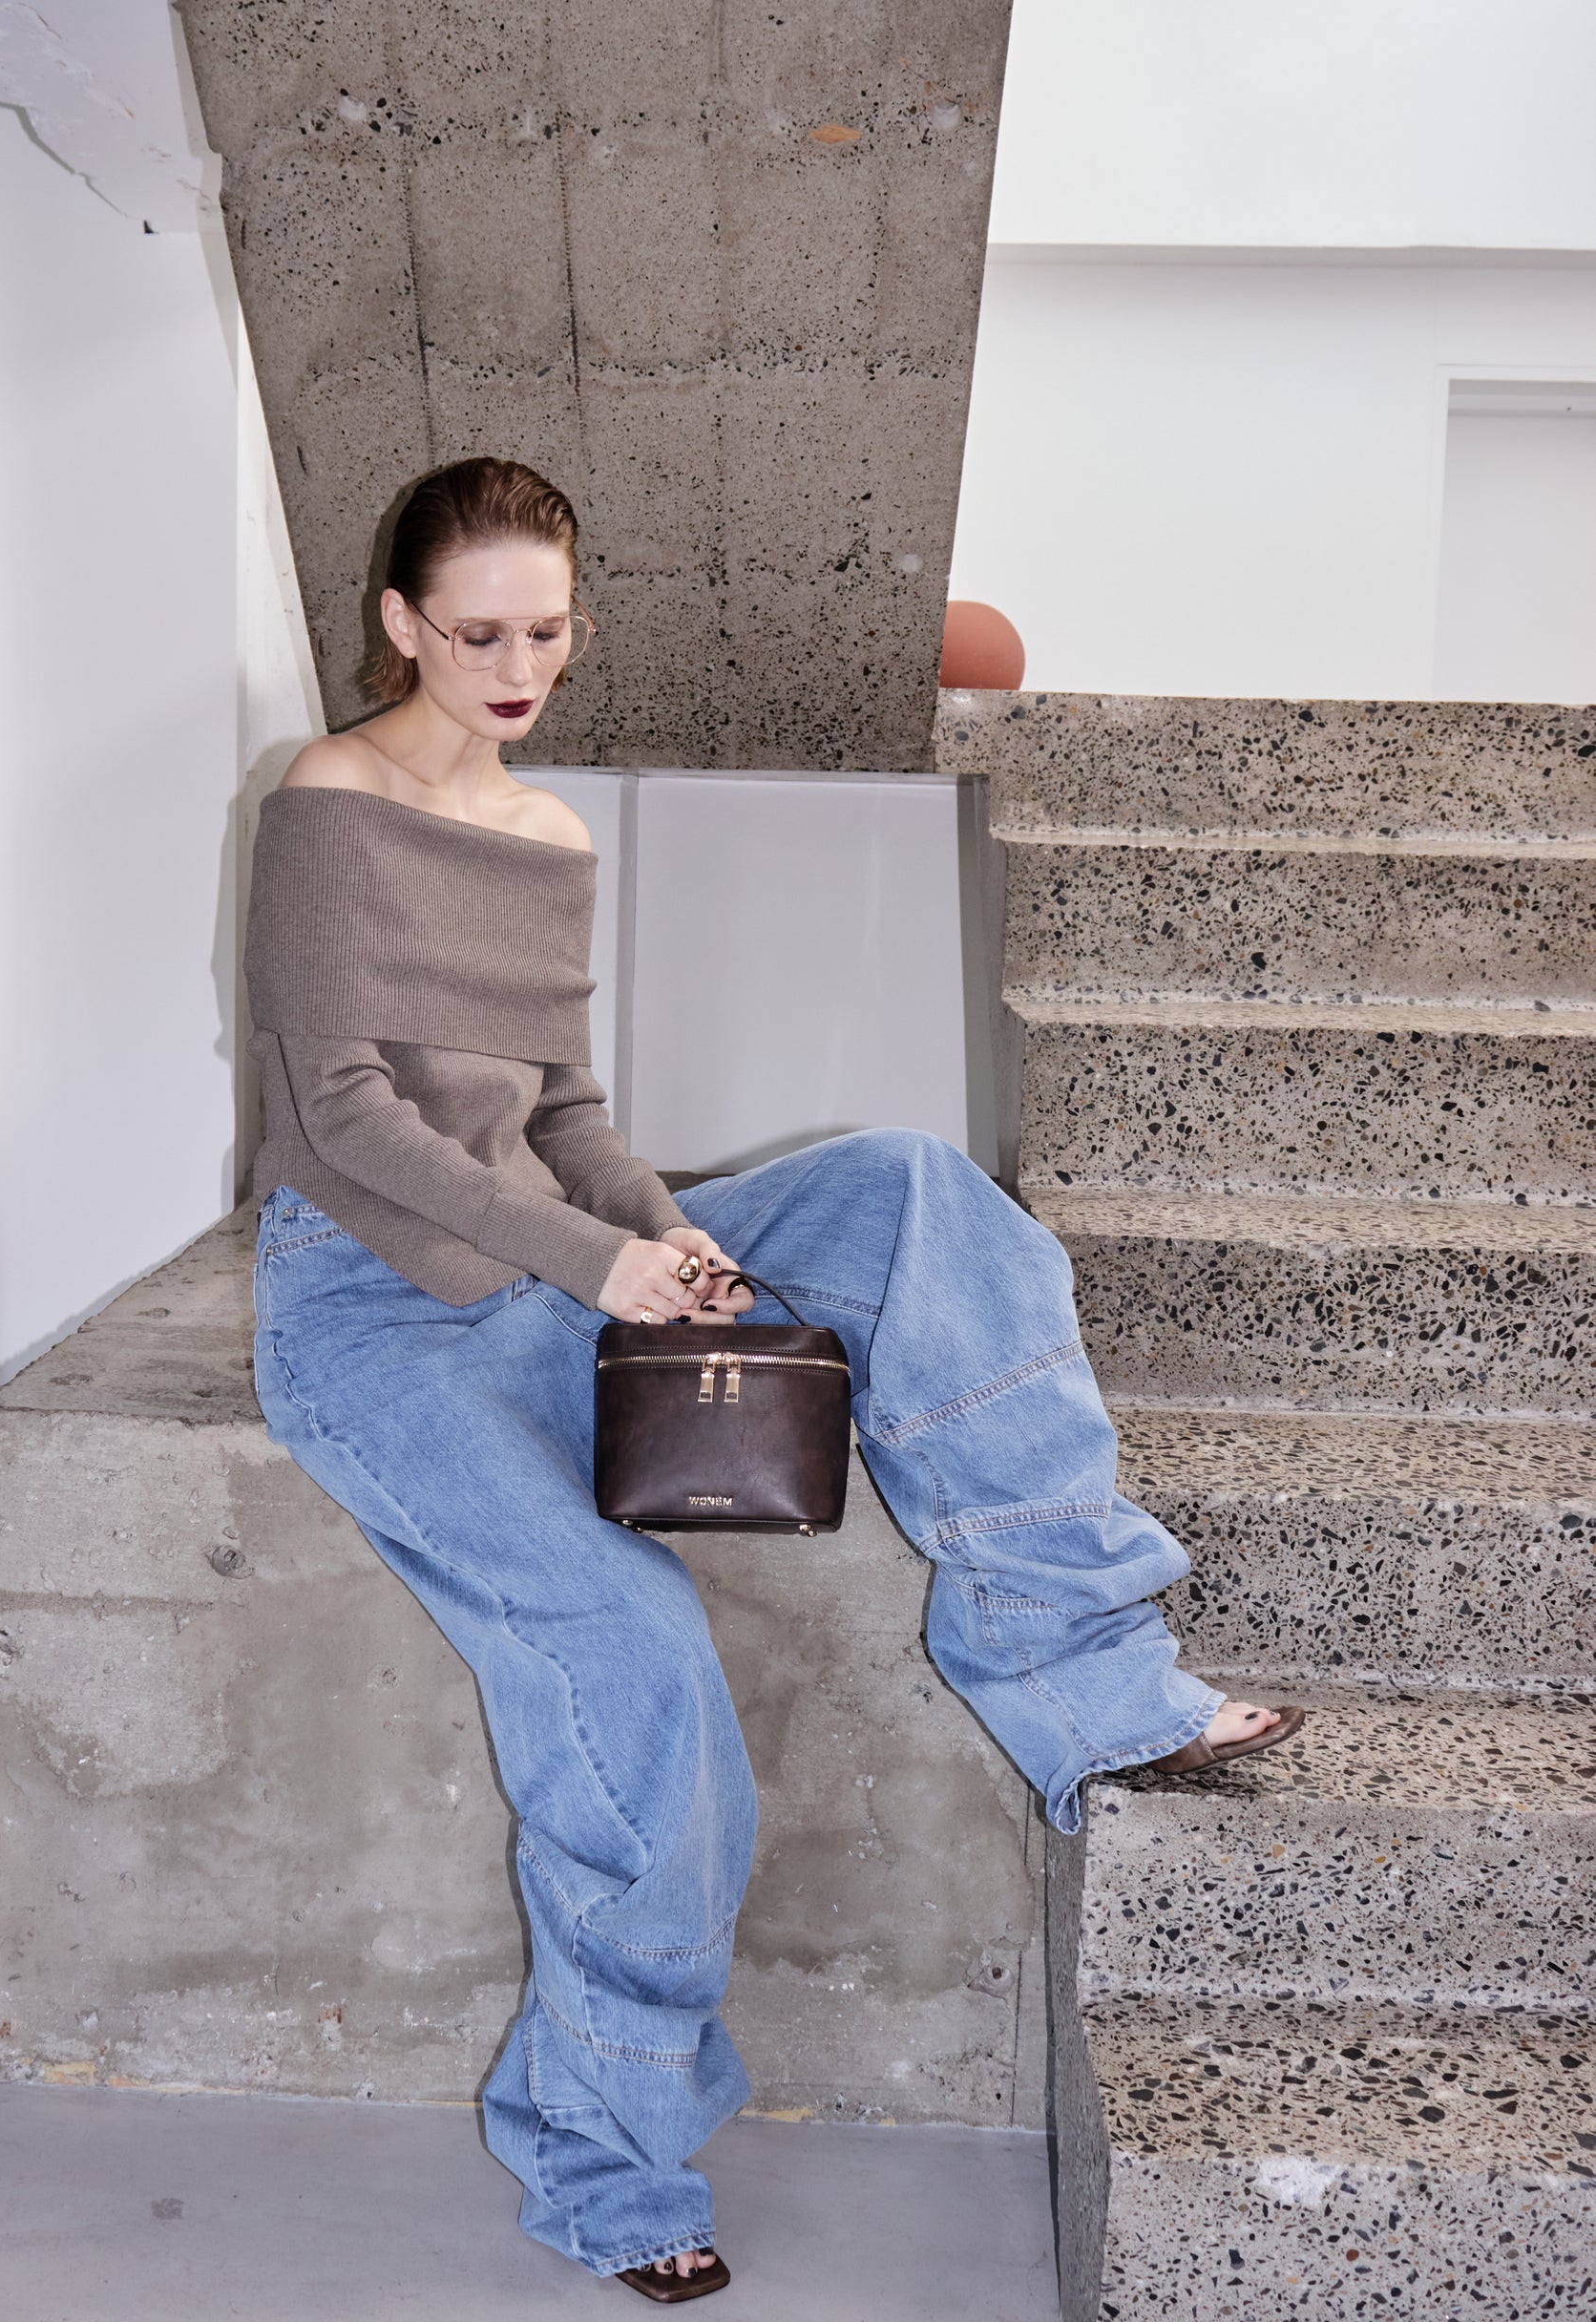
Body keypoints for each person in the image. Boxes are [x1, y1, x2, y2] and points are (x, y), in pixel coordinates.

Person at [244, 455, 1304, 2303]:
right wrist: (603, 1266)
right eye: (478, 635)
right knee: (633, 1654)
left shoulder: (545, 830)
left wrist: (671, 1238)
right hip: (375, 1310)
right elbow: (345, 1119)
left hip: (547, 1268)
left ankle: (1079, 1674)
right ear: (399, 622)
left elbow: (567, 1117)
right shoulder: (327, 799)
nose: (518, 670)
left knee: (906, 1186)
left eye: (548, 632)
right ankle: (606, 2163)